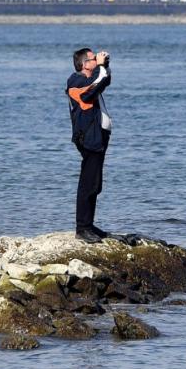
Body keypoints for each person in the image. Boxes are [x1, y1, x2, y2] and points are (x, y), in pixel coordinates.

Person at [66, 47, 113, 243]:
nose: (96, 61)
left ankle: (89, 224)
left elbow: (103, 82)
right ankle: (82, 228)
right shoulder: (76, 82)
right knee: (87, 183)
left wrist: (104, 66)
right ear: (85, 64)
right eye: (93, 59)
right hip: (88, 138)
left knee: (95, 183)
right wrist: (101, 67)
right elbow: (90, 91)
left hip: (97, 137)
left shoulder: (90, 79)